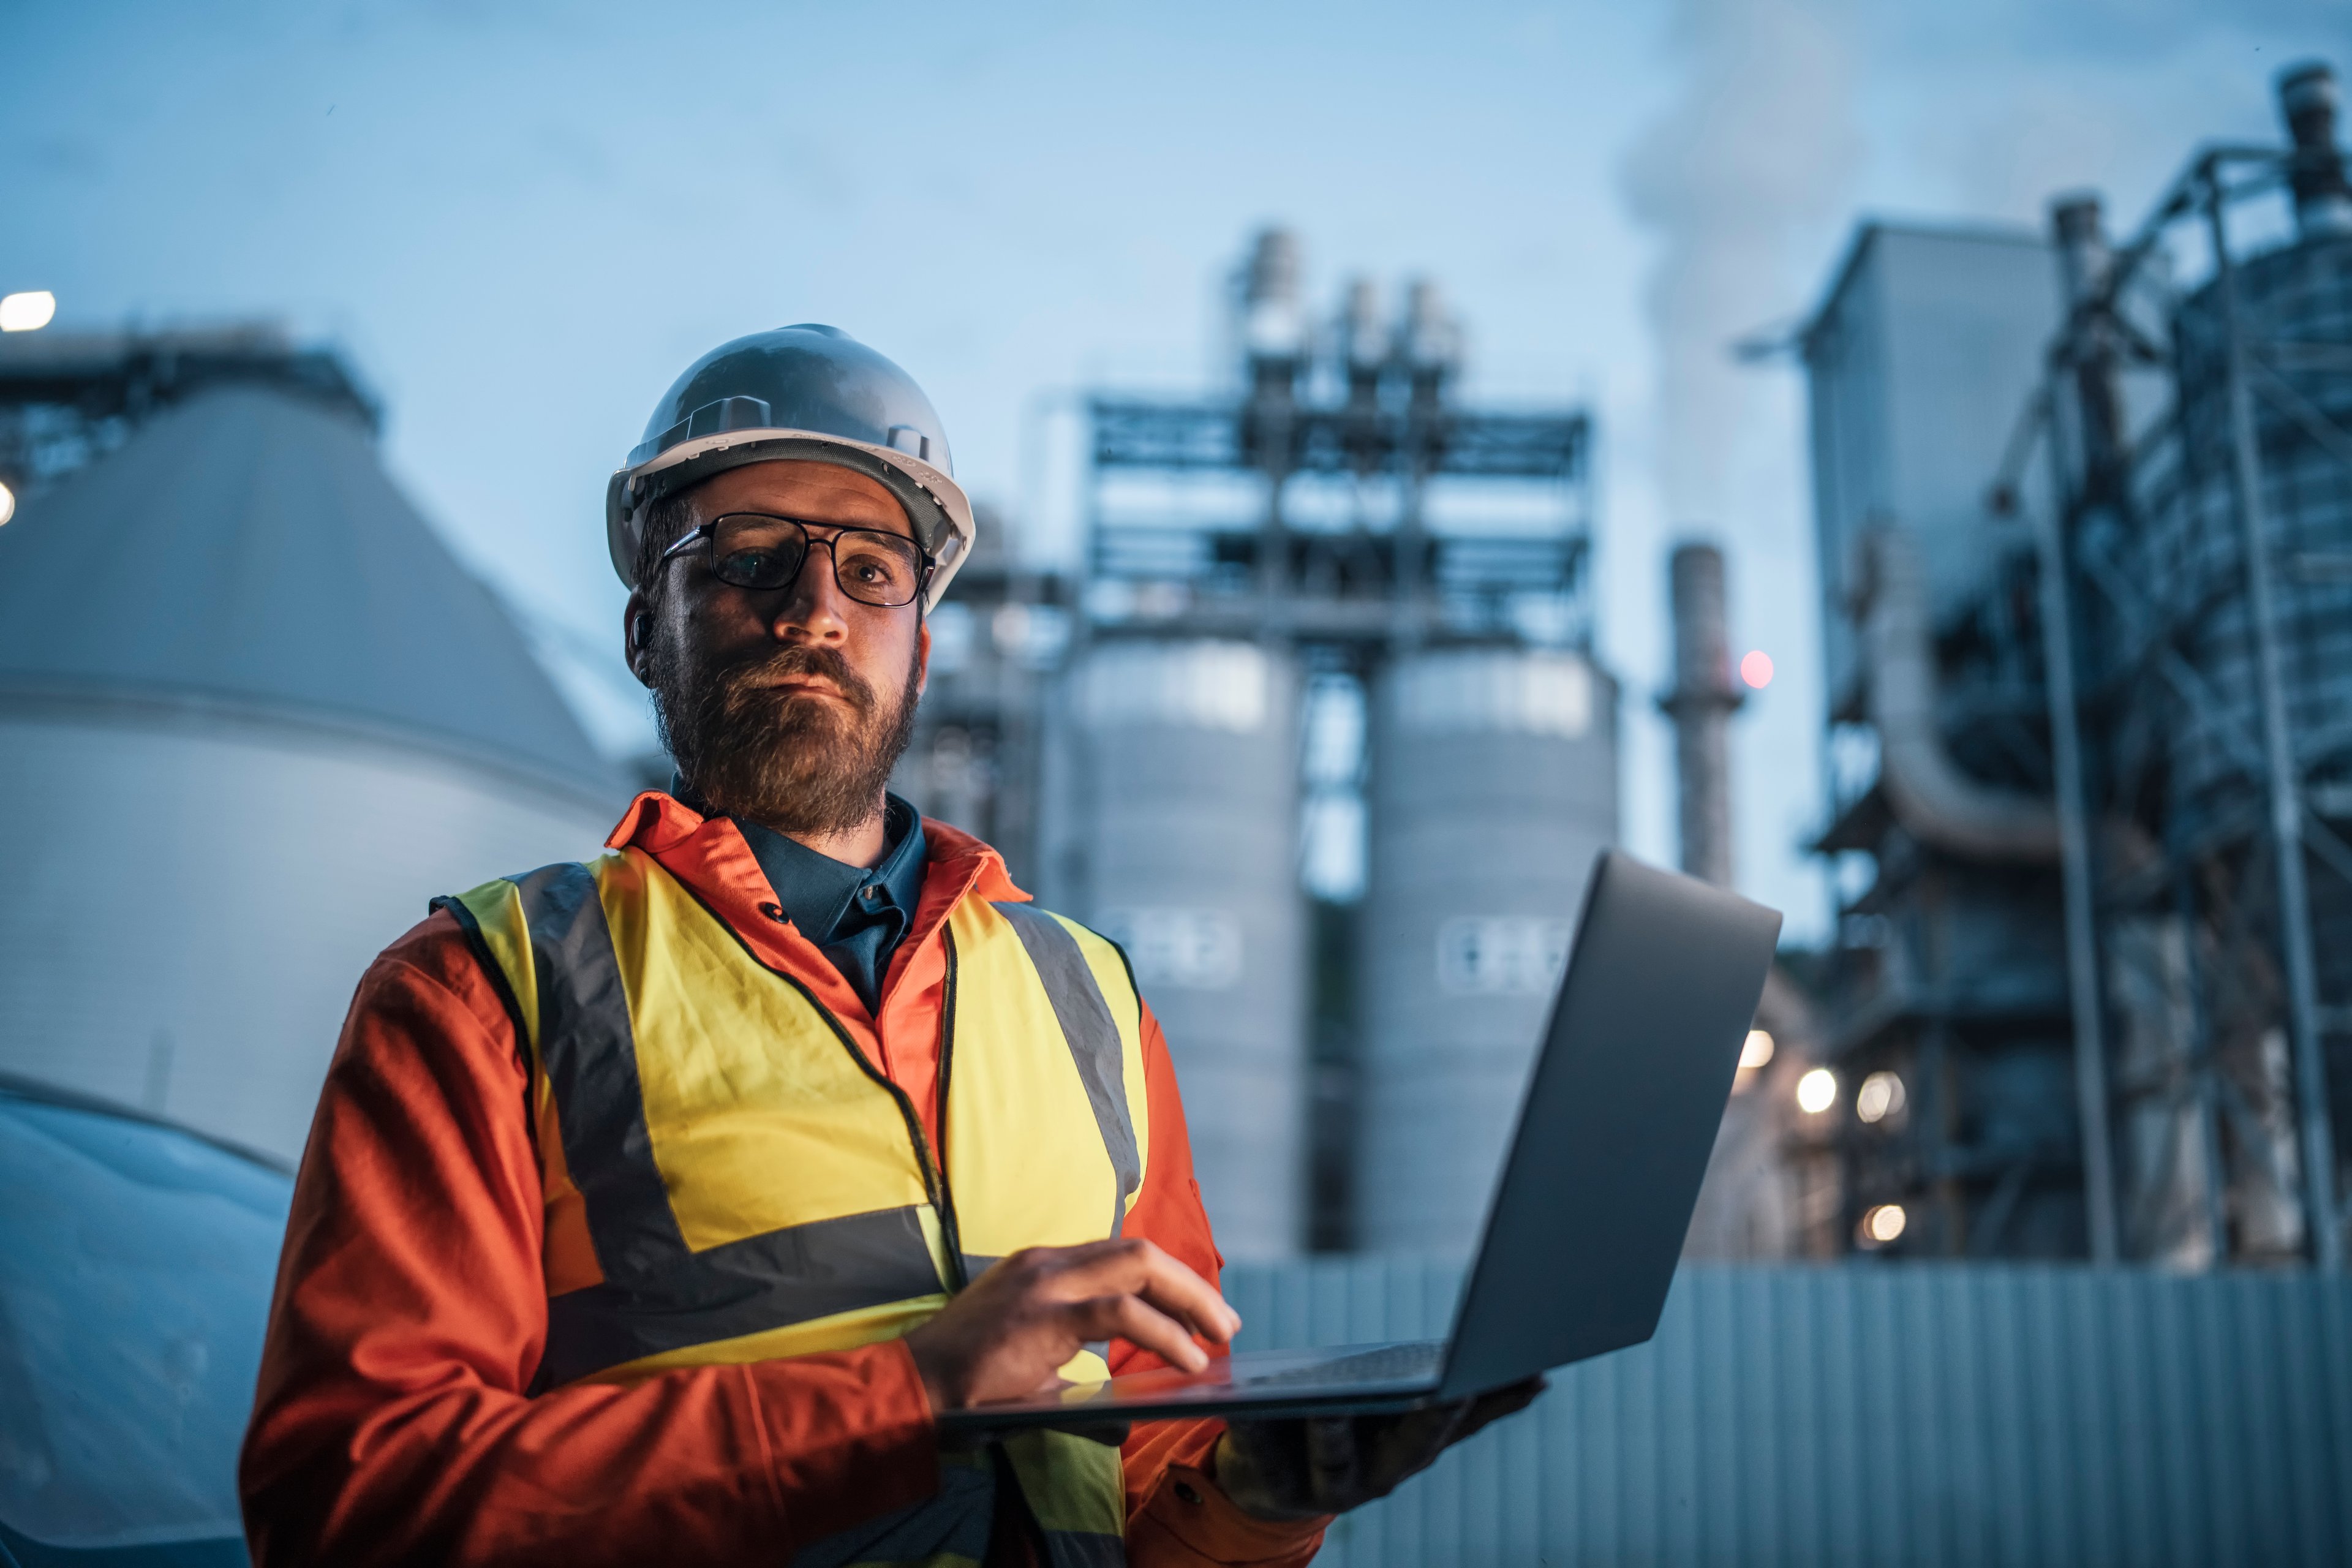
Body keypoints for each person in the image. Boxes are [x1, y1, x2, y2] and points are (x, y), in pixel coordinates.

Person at [239, 325, 1534, 1567]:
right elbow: (357, 1504)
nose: (813, 607)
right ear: (646, 630)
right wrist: (910, 1388)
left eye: (871, 569)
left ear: (922, 648)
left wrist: (1253, 1498)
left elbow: (1137, 1491)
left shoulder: (1089, 1002)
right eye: (744, 554)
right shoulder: (488, 992)